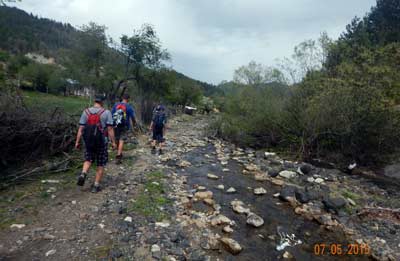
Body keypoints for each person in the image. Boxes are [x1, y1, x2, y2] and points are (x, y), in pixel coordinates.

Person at [75, 95, 116, 193]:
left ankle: (83, 173)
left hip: (89, 142)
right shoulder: (106, 112)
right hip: (102, 142)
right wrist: (114, 142)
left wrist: (77, 142)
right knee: (100, 164)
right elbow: (110, 129)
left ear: (94, 101)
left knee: (88, 159)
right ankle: (95, 185)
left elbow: (81, 129)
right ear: (102, 102)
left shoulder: (86, 112)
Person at [111, 93, 136, 164]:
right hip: (124, 125)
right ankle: (119, 155)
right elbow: (132, 117)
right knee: (122, 140)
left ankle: (119, 152)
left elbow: (111, 114)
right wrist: (134, 124)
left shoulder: (116, 105)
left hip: (115, 125)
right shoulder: (129, 107)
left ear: (122, 98)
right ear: (128, 99)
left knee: (117, 139)